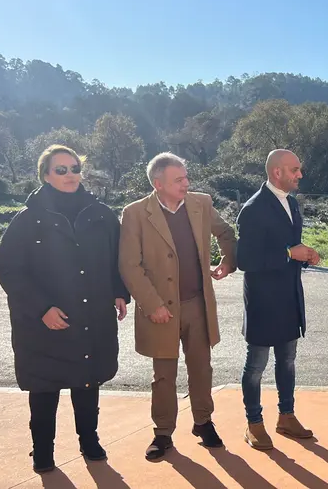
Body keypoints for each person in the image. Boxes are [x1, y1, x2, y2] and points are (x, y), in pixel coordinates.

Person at [0, 145, 129, 473]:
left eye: (75, 168)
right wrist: (42, 308)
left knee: (88, 381)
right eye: (61, 170)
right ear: (45, 175)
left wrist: (119, 291)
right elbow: (9, 270)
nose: (70, 175)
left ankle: (89, 439)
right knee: (45, 386)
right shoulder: (27, 221)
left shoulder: (101, 215)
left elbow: (118, 259)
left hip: (91, 316)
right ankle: (43, 450)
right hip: (44, 323)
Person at [118, 152, 237, 461]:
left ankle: (203, 422)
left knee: (202, 368)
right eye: (178, 180)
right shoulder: (135, 213)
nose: (186, 183)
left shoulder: (202, 204)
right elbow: (129, 265)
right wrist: (152, 304)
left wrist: (228, 260)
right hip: (160, 310)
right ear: (158, 184)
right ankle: (163, 432)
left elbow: (226, 232)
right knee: (163, 375)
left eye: (186, 177)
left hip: (197, 304)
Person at [236, 149, 319, 450]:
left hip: (289, 297)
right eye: (295, 170)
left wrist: (304, 254)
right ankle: (253, 423)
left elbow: (290, 247)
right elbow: (245, 259)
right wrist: (288, 254)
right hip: (262, 301)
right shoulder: (253, 208)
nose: (300, 174)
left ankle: (286, 416)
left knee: (287, 361)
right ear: (277, 172)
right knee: (256, 365)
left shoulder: (292, 203)